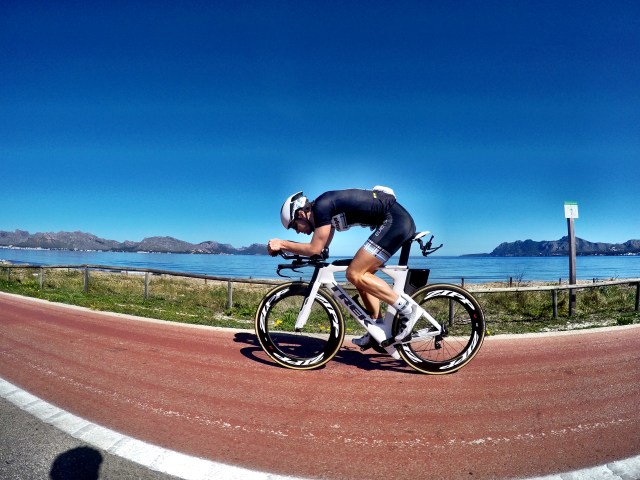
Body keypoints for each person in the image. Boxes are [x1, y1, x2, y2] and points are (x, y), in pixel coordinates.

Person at [267, 187, 426, 348]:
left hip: (395, 222)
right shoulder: (325, 214)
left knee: (354, 273)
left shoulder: (321, 207)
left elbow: (314, 248)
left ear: (301, 214)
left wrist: (282, 244)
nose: (297, 232)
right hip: (395, 222)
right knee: (362, 279)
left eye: (294, 226)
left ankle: (407, 309)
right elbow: (320, 250)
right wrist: (293, 251)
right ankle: (377, 328)